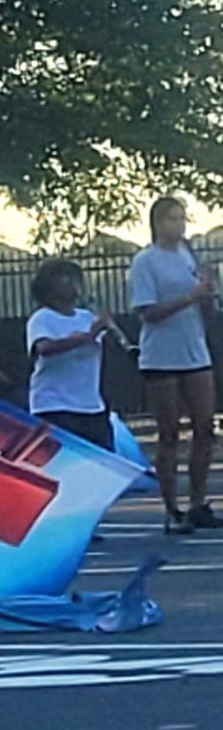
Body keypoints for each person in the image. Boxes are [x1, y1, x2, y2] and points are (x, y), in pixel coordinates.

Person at [130, 196, 220, 534]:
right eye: (172, 219)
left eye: (182, 218)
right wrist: (190, 297)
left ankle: (198, 502)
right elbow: (148, 312)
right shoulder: (145, 261)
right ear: (157, 223)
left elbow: (206, 310)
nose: (179, 225)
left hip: (194, 352)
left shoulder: (187, 256)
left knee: (204, 427)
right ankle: (172, 507)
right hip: (161, 357)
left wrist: (208, 293)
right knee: (169, 433)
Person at [25, 259, 113, 449]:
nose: (73, 284)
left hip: (91, 406)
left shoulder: (86, 317)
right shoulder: (42, 318)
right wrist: (87, 337)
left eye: (75, 278)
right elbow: (44, 348)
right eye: (65, 278)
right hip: (54, 406)